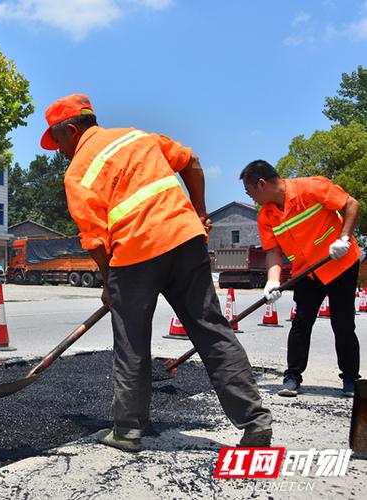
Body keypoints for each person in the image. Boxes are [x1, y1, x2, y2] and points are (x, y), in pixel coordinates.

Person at [41, 93, 273, 451]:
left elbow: (95, 239)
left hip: (134, 255)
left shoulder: (77, 174)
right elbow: (191, 162)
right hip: (185, 239)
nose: (59, 151)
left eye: (57, 141)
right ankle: (255, 421)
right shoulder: (137, 137)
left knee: (131, 342)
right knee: (212, 331)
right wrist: (199, 212)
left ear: (71, 131)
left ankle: (127, 431)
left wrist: (108, 282)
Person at [240, 160, 361, 397]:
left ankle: (350, 378)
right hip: (308, 271)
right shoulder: (266, 216)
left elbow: (351, 203)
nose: (250, 197)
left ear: (261, 184)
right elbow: (273, 252)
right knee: (301, 323)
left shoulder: (311, 188)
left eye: (249, 191)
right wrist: (272, 281)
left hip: (340, 263)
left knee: (343, 322)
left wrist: (344, 238)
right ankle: (292, 376)